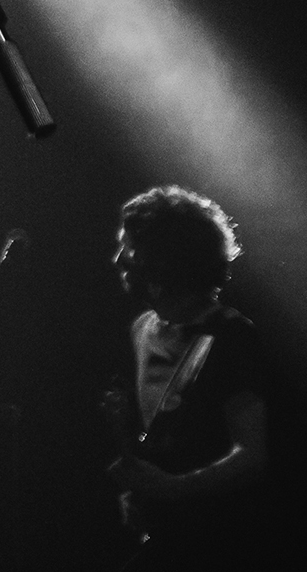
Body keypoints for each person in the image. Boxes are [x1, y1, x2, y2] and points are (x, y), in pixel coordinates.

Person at [106, 184, 270, 569]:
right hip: (169, 536)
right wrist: (141, 492)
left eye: (128, 248)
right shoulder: (142, 329)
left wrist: (172, 489)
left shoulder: (231, 336)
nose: (118, 259)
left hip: (222, 541)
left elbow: (252, 455)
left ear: (162, 260)